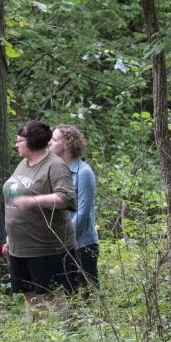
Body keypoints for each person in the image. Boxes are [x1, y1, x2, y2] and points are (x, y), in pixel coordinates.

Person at [3, 119, 76, 298]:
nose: (16, 144)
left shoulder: (55, 165)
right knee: (30, 299)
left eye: (19, 140)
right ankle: (33, 327)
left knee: (52, 299)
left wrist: (32, 201)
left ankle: (58, 327)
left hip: (46, 249)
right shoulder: (23, 164)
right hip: (19, 248)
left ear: (31, 142)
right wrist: (9, 236)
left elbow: (66, 197)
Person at [54, 124, 99, 289]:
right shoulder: (58, 171)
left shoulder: (84, 173)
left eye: (54, 139)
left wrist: (65, 240)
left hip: (82, 246)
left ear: (66, 143)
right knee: (68, 295)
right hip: (62, 245)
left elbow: (82, 212)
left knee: (86, 296)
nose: (49, 143)